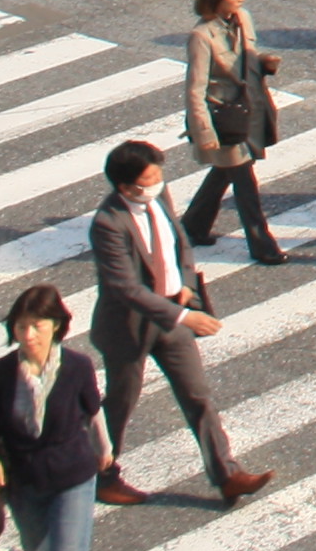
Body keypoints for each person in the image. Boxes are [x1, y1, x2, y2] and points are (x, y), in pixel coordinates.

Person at [83, 139, 269, 507]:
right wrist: (185, 316)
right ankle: (99, 473)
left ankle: (226, 474)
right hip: (129, 328)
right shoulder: (107, 223)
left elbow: (179, 240)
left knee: (198, 396)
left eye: (158, 176)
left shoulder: (158, 195)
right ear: (125, 186)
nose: (156, 184)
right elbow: (125, 288)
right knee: (120, 403)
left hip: (172, 318)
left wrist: (185, 286)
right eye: (147, 180)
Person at [0, 284, 106, 551]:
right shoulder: (0, 374)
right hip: (23, 480)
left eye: (37, 326)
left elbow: (92, 411)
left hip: (71, 475)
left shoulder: (76, 366)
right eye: (21, 326)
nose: (28, 335)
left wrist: (105, 451)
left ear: (56, 326)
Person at [175, 0, 285, 265]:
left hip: (248, 109)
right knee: (245, 181)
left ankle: (193, 227)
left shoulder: (243, 19)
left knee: (225, 171)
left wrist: (264, 62)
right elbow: (195, 89)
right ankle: (263, 246)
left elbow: (244, 60)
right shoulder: (201, 36)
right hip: (223, 119)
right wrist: (204, 133)